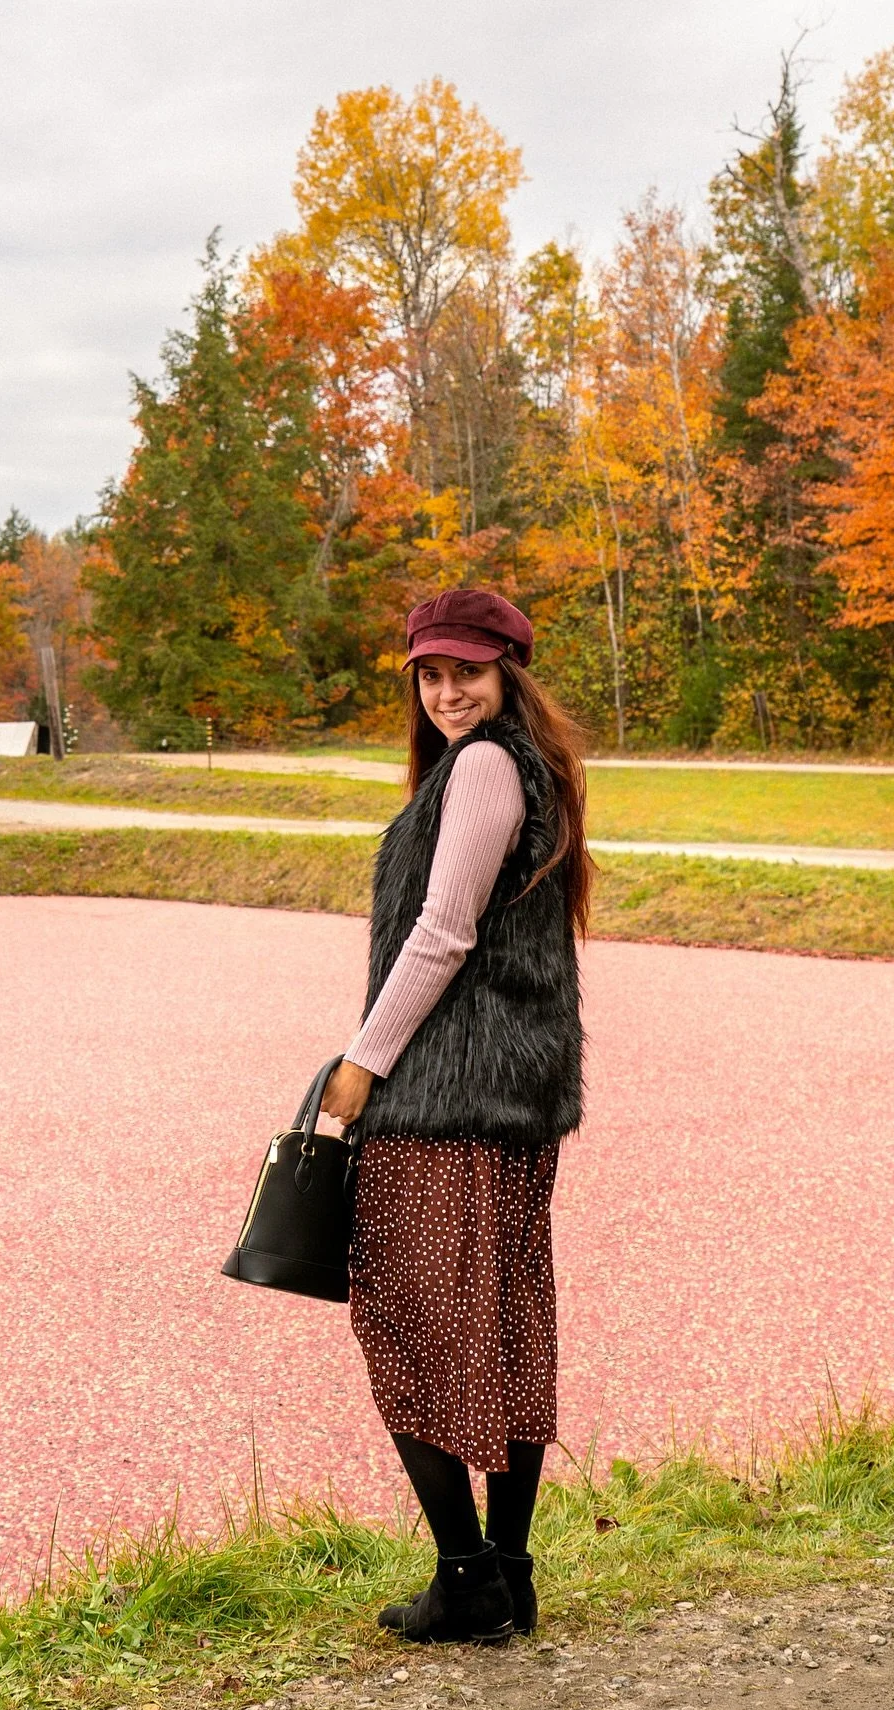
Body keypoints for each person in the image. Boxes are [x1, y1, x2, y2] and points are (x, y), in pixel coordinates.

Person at [321, 587, 593, 1646]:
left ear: (508, 672)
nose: (446, 691)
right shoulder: (526, 767)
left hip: (443, 1096)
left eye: (466, 672)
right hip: (515, 1096)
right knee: (511, 1319)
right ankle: (509, 1573)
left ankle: (465, 1571)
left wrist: (361, 1062)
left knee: (402, 1314)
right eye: (430, 673)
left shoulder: (481, 766)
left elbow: (441, 932)